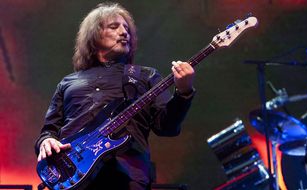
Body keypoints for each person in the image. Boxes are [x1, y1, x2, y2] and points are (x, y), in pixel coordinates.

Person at [34, 2, 195, 190]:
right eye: (114, 26)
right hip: (72, 177)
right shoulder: (68, 82)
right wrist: (46, 141)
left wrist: (184, 92)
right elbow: (49, 130)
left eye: (127, 28)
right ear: (94, 36)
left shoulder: (145, 76)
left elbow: (167, 127)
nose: (124, 32)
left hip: (127, 176)